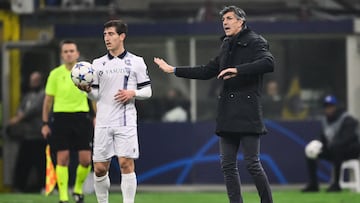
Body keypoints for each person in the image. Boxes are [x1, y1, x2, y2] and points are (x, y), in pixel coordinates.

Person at [154, 5, 274, 203]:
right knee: (227, 165)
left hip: (248, 111)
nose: (225, 22)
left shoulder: (256, 41)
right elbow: (207, 70)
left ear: (241, 21)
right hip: (227, 112)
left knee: (252, 164)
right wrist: (174, 70)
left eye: (229, 18)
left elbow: (269, 63)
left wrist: (238, 70)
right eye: (223, 20)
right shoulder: (226, 44)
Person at [78, 19, 152, 203]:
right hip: (103, 121)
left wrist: (132, 92)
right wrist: (87, 91)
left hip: (125, 121)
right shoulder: (97, 64)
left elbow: (148, 91)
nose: (107, 38)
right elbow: (96, 95)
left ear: (122, 36)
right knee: (100, 168)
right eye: (105, 35)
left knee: (126, 164)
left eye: (111, 34)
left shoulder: (136, 62)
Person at [41, 39, 93, 203]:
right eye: (66, 51)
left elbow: (94, 98)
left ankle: (78, 189)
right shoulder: (55, 74)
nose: (69, 54)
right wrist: (44, 123)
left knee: (85, 159)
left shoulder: (86, 71)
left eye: (72, 51)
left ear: (77, 53)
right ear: (62, 55)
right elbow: (48, 100)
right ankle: (63, 196)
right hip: (61, 117)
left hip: (81, 116)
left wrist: (97, 116)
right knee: (62, 158)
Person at [302, 94, 360, 192]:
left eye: (331, 106)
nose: (328, 109)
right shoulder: (325, 120)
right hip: (333, 150)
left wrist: (333, 145)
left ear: (335, 107)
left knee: (337, 148)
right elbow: (323, 138)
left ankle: (336, 184)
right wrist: (317, 145)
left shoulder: (347, 119)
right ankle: (313, 185)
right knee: (310, 152)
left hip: (351, 151)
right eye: (326, 106)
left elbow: (348, 139)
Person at [6, 71, 46, 192]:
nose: (33, 83)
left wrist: (18, 119)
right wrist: (19, 115)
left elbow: (33, 110)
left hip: (39, 135)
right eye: (31, 80)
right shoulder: (27, 96)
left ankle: (44, 187)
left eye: (35, 80)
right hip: (27, 135)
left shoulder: (44, 94)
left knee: (41, 163)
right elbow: (21, 108)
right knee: (23, 163)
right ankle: (19, 187)